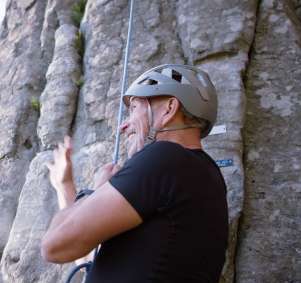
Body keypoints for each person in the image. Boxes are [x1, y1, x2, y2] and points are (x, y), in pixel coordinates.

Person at [41, 64, 229, 282]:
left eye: (136, 108)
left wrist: (98, 189)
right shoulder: (197, 175)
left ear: (169, 110)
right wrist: (64, 185)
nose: (123, 125)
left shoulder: (165, 158)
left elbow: (54, 246)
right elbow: (87, 254)